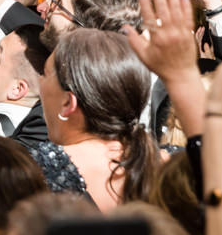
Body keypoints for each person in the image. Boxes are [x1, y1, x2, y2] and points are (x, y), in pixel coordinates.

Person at [31, 28, 158, 212]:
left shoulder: (34, 174)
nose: (40, 82)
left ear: (68, 102)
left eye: (44, 73)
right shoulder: (174, 163)